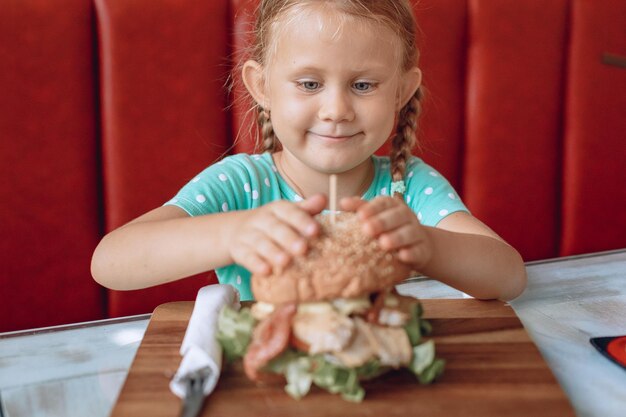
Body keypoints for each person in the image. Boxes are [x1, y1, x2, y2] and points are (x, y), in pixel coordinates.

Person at [91, 0, 527, 301]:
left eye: (363, 85)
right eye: (309, 84)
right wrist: (231, 234)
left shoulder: (408, 187)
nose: (336, 110)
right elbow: (110, 262)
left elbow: (509, 275)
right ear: (262, 87)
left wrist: (428, 247)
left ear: (401, 91)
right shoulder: (240, 184)